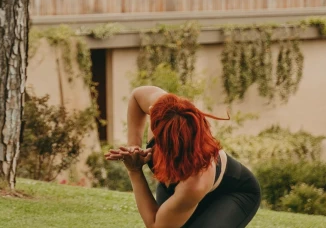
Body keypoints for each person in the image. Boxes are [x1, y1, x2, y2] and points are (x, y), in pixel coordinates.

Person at [105, 85, 261, 228]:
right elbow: (137, 96)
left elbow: (155, 226)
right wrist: (134, 146)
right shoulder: (166, 110)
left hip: (232, 192)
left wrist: (135, 171)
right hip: (180, 187)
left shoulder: (195, 181)